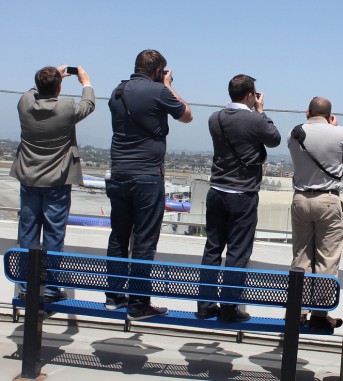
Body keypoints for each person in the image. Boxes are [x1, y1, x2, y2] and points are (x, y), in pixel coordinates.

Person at [105, 49, 193, 320]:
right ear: (157, 71)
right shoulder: (159, 91)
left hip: (119, 172)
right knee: (144, 241)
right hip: (147, 176)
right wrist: (166, 85)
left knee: (119, 236)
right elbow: (187, 115)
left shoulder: (117, 91)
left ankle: (115, 297)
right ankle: (138, 304)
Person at [196, 74, 281, 322]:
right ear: (249, 95)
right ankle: (229, 308)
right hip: (243, 194)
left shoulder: (215, 118)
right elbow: (274, 139)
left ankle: (205, 305)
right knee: (237, 253)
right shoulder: (254, 120)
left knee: (212, 248)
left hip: (217, 191)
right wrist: (261, 111)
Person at [11, 65, 95, 301]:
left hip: (28, 177)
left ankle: (26, 287)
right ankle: (49, 288)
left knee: (27, 232)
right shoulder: (66, 108)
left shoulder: (24, 103)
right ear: (59, 87)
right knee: (54, 234)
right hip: (57, 180)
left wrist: (52, 75)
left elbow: (31, 92)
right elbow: (88, 104)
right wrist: (85, 82)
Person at [287, 97, 343, 329]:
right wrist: (333, 129)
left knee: (301, 256)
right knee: (327, 257)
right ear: (330, 115)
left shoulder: (294, 133)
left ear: (307, 112)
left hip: (301, 199)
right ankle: (320, 312)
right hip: (328, 199)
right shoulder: (340, 132)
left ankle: (297, 310)